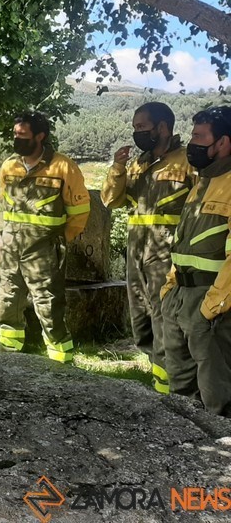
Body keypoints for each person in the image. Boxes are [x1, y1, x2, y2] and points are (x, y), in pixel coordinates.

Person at [102, 102, 196, 394]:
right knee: (141, 320)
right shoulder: (137, 164)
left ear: (163, 128)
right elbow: (110, 200)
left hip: (167, 255)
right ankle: (160, 384)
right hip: (136, 254)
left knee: (165, 319)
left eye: (141, 127)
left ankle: (176, 389)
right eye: (135, 128)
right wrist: (118, 168)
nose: (136, 133)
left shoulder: (188, 161)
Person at [0, 112, 90, 364]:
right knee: (6, 302)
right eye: (15, 135)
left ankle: (61, 365)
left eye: (22, 135)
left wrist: (57, 241)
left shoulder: (63, 167)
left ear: (40, 136)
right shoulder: (9, 166)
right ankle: (6, 360)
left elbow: (79, 213)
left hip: (45, 250)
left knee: (48, 306)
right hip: (10, 249)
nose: (17, 140)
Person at [160, 106, 231, 416]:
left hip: (210, 302)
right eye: (192, 136)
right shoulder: (201, 182)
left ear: (223, 143)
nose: (192, 144)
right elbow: (184, 244)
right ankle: (182, 449)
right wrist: (169, 288)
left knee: (216, 394)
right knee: (181, 388)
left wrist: (211, 306)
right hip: (180, 297)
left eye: (200, 137)